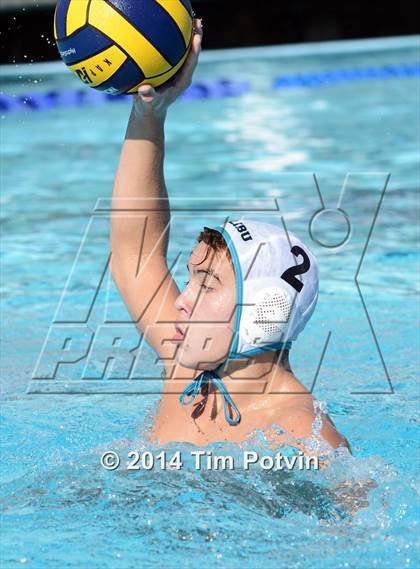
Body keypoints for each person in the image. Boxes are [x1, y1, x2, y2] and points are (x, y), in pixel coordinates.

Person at [110, 19, 350, 454]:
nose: (182, 298)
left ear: (263, 311)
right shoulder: (185, 364)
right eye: (191, 279)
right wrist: (150, 113)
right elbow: (136, 252)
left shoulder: (306, 436)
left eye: (207, 284)